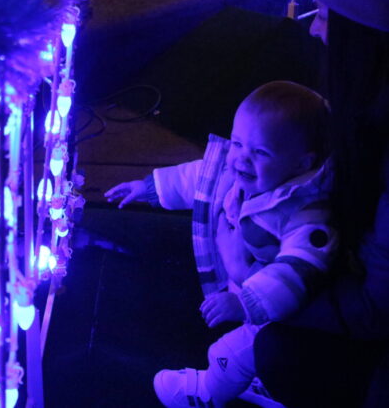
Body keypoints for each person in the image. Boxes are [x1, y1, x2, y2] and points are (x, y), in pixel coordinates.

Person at [105, 80, 336, 407]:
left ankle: (206, 392)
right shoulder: (248, 173)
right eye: (239, 143)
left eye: (260, 152)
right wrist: (148, 188)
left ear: (301, 163)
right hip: (250, 284)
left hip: (282, 307)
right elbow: (201, 178)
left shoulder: (306, 212)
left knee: (231, 352)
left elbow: (299, 269)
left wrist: (247, 303)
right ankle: (263, 382)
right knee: (241, 348)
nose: (241, 158)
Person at [252, 0, 389, 406]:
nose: (313, 29)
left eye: (327, 15)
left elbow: (378, 309)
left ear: (367, 36)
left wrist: (265, 294)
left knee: (278, 353)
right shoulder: (367, 110)